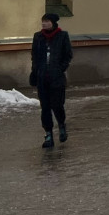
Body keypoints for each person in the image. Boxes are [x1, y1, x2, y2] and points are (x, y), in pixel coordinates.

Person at [30, 12, 73, 148]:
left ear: (53, 23)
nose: (44, 23)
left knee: (57, 105)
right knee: (45, 107)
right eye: (43, 21)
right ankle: (48, 134)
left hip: (57, 78)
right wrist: (34, 72)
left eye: (47, 21)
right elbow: (35, 56)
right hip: (42, 78)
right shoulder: (38, 37)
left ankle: (61, 125)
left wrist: (60, 69)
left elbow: (68, 55)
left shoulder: (62, 36)